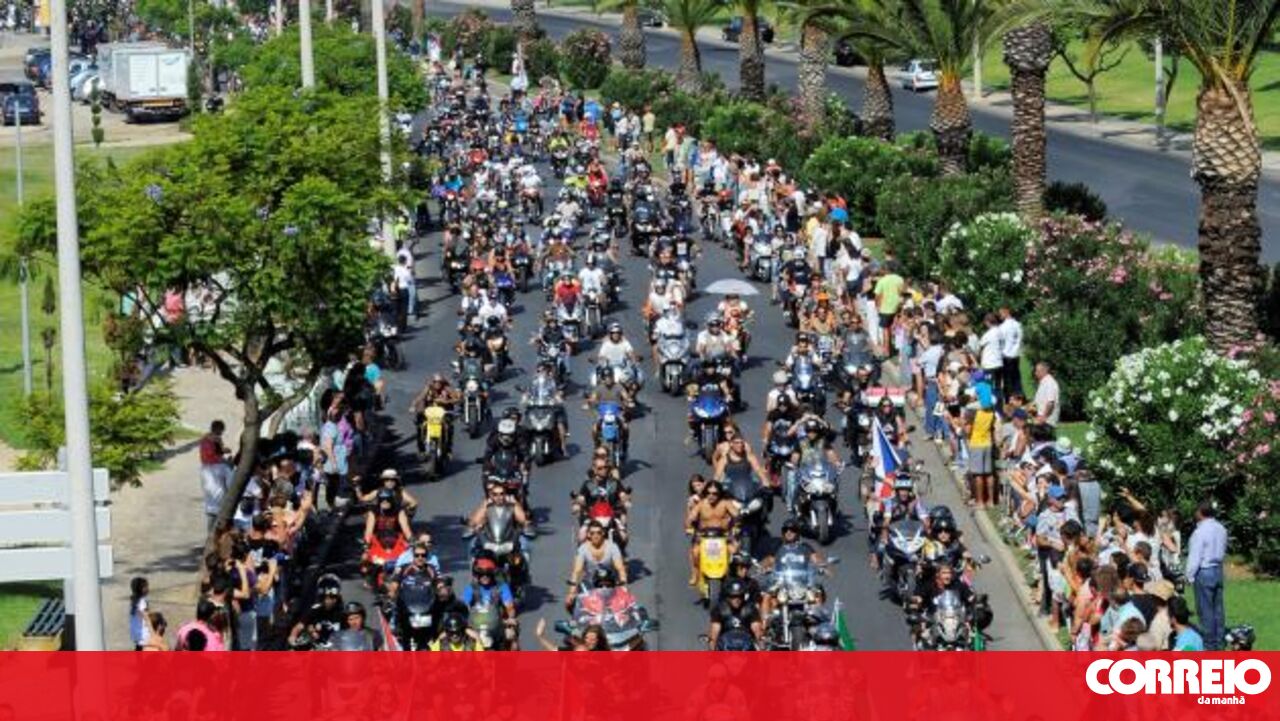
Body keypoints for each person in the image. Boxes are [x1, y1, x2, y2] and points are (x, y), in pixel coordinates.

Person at [1185, 501, 1227, 650]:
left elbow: (1195, 556)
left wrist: (1189, 575)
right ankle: (1220, 641)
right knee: (1218, 609)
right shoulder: (1221, 528)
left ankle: (1209, 644)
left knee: (1205, 610)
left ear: (1200, 513)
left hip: (1204, 570)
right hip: (1218, 569)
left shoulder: (1199, 532)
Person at [686, 480, 738, 594]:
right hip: (704, 537)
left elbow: (736, 514)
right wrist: (689, 526)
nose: (711, 496)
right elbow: (691, 517)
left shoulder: (725, 503)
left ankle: (734, 577)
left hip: (724, 536)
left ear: (719, 494)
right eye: (709, 493)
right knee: (695, 553)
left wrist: (737, 522)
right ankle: (696, 574)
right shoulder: (701, 504)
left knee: (734, 552)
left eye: (714, 493)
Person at [566, 520, 628, 611]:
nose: (596, 535)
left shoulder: (612, 547)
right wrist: (571, 592)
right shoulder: (583, 549)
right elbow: (577, 571)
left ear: (603, 533)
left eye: (599, 532)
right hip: (589, 585)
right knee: (570, 604)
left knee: (624, 606)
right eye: (592, 533)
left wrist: (623, 586)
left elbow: (620, 568)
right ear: (588, 535)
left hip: (609, 584)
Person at [289, 573, 344, 647]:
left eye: (332, 597)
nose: (328, 601)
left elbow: (354, 633)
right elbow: (298, 627)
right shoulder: (315, 610)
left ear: (338, 596)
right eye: (324, 597)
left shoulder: (343, 612)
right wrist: (293, 637)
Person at [708, 578, 763, 650]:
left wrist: (761, 647)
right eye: (733, 596)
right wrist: (712, 649)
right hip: (725, 645)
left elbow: (756, 629)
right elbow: (715, 631)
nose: (736, 600)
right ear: (728, 596)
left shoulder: (751, 608)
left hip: (746, 645)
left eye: (739, 596)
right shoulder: (719, 609)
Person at [199, 420, 232, 532]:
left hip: (205, 469)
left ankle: (210, 534)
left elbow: (214, 453)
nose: (222, 433)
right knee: (218, 503)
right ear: (219, 429)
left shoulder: (204, 439)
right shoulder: (216, 440)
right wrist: (226, 460)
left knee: (210, 502)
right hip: (215, 469)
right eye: (221, 431)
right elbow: (216, 454)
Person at [997, 306, 1023, 400]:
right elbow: (1020, 339)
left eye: (1000, 314)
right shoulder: (1018, 324)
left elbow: (1000, 341)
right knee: (1016, 376)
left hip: (1006, 355)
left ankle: (1009, 398)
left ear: (1006, 312)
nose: (999, 316)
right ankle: (1018, 395)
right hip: (1016, 354)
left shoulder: (1002, 327)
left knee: (1007, 378)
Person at [1031, 361, 1060, 430]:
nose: (1035, 373)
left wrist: (1044, 417)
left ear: (1044, 371)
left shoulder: (1050, 383)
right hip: (1041, 419)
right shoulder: (1043, 383)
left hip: (1047, 422)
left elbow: (1050, 403)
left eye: (1037, 371)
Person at [129, 577, 152, 651]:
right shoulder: (142, 601)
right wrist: (152, 631)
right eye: (146, 586)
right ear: (141, 589)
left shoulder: (134, 601)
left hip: (135, 632)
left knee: (139, 649)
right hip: (142, 633)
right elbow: (145, 616)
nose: (148, 588)